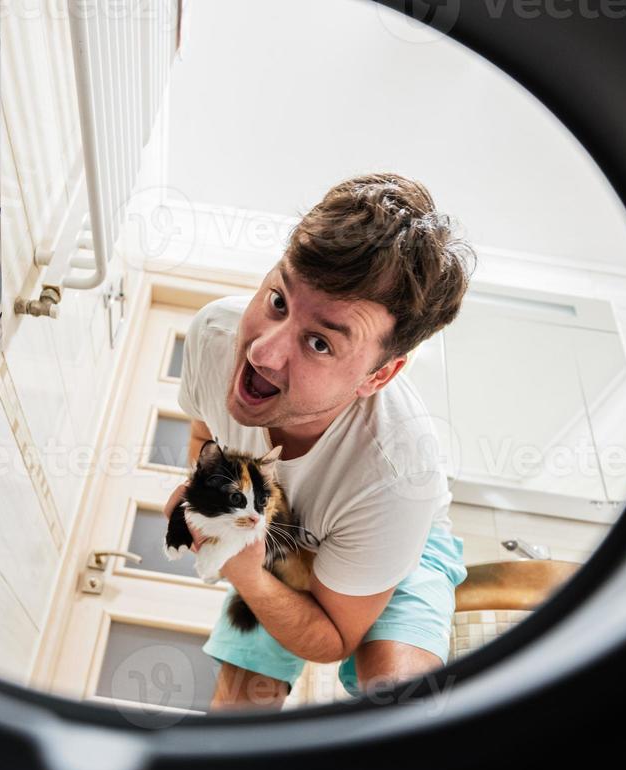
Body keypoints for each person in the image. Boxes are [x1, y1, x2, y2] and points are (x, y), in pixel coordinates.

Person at [163, 172, 475, 710]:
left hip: (396, 539)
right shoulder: (216, 335)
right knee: (236, 714)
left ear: (378, 375)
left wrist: (246, 573)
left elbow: (334, 639)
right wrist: (202, 490)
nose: (262, 352)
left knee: (397, 706)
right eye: (279, 300)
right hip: (278, 530)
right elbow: (202, 434)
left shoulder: (398, 478)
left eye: (319, 342)